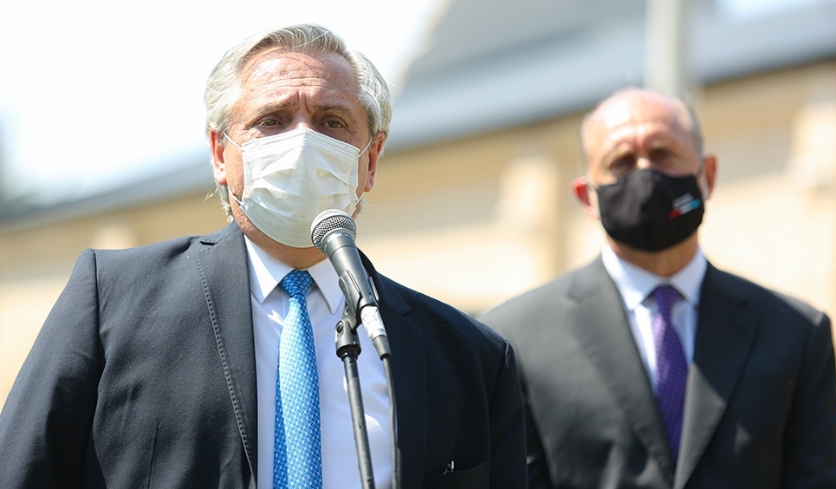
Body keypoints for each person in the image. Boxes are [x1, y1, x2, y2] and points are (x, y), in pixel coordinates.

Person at [0, 24, 527, 488]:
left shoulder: (469, 357)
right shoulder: (112, 303)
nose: (302, 141)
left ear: (371, 161)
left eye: (332, 121)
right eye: (271, 120)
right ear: (220, 155)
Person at [480, 88, 836, 488]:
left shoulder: (795, 332)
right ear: (587, 197)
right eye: (620, 162)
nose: (645, 173)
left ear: (706, 176)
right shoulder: (513, 339)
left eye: (663, 154)